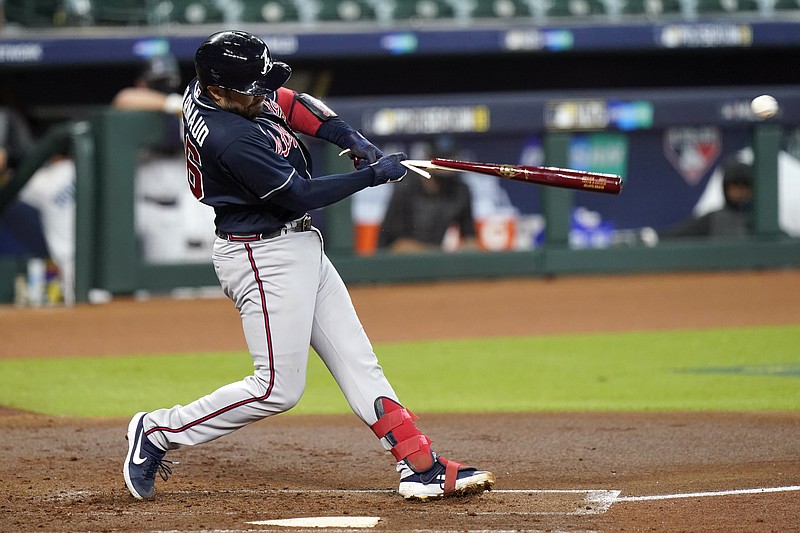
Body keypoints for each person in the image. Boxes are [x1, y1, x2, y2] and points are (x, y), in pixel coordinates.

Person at [122, 30, 495, 502]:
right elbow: (300, 193)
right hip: (261, 255)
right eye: (249, 90)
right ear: (217, 91)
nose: (261, 96)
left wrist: (349, 137)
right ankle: (157, 431)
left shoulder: (222, 90)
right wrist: (371, 175)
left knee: (359, 361)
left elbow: (291, 101)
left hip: (298, 247)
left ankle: (419, 464)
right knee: (276, 388)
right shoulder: (229, 136)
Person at [112, 53, 217, 263]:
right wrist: (169, 102)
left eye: (167, 83)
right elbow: (124, 99)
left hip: (188, 208)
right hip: (150, 209)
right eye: (156, 84)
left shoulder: (185, 111)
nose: (163, 88)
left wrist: (180, 106)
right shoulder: (138, 111)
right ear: (141, 83)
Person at [378, 168, 477, 253]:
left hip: (437, 260)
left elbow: (470, 239)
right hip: (397, 265)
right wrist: (440, 255)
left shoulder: (459, 189)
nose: (441, 182)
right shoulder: (405, 187)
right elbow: (398, 246)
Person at [663, 156, 754, 238]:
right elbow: (679, 234)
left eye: (744, 187)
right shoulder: (714, 219)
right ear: (726, 189)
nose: (740, 192)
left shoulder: (759, 219)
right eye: (735, 186)